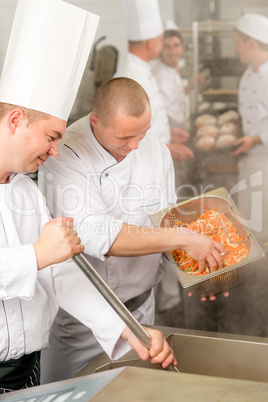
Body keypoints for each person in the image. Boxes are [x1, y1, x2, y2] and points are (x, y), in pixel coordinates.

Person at [0, 0, 177, 394]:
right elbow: (47, 258)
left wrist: (129, 333)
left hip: (26, 369)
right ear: (15, 121)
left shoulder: (26, 191)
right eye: (51, 137)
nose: (56, 152)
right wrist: (37, 255)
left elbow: (64, 274)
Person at [39, 77, 226, 383]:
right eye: (125, 137)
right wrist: (185, 238)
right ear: (95, 121)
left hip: (142, 312)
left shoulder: (153, 149)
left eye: (143, 133)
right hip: (83, 325)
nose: (136, 146)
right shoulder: (65, 154)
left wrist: (201, 270)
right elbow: (100, 235)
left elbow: (162, 224)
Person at [114, 0, 194, 164]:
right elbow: (124, 136)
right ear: (151, 42)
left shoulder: (143, 71)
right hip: (142, 167)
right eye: (161, 40)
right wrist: (168, 149)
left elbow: (147, 123)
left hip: (156, 161)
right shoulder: (131, 80)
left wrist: (167, 132)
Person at [230, 13, 268, 245]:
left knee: (262, 224)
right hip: (250, 160)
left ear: (251, 43)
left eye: (238, 43)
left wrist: (255, 139)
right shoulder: (247, 75)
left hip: (265, 160)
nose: (236, 49)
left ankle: (262, 277)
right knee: (252, 221)